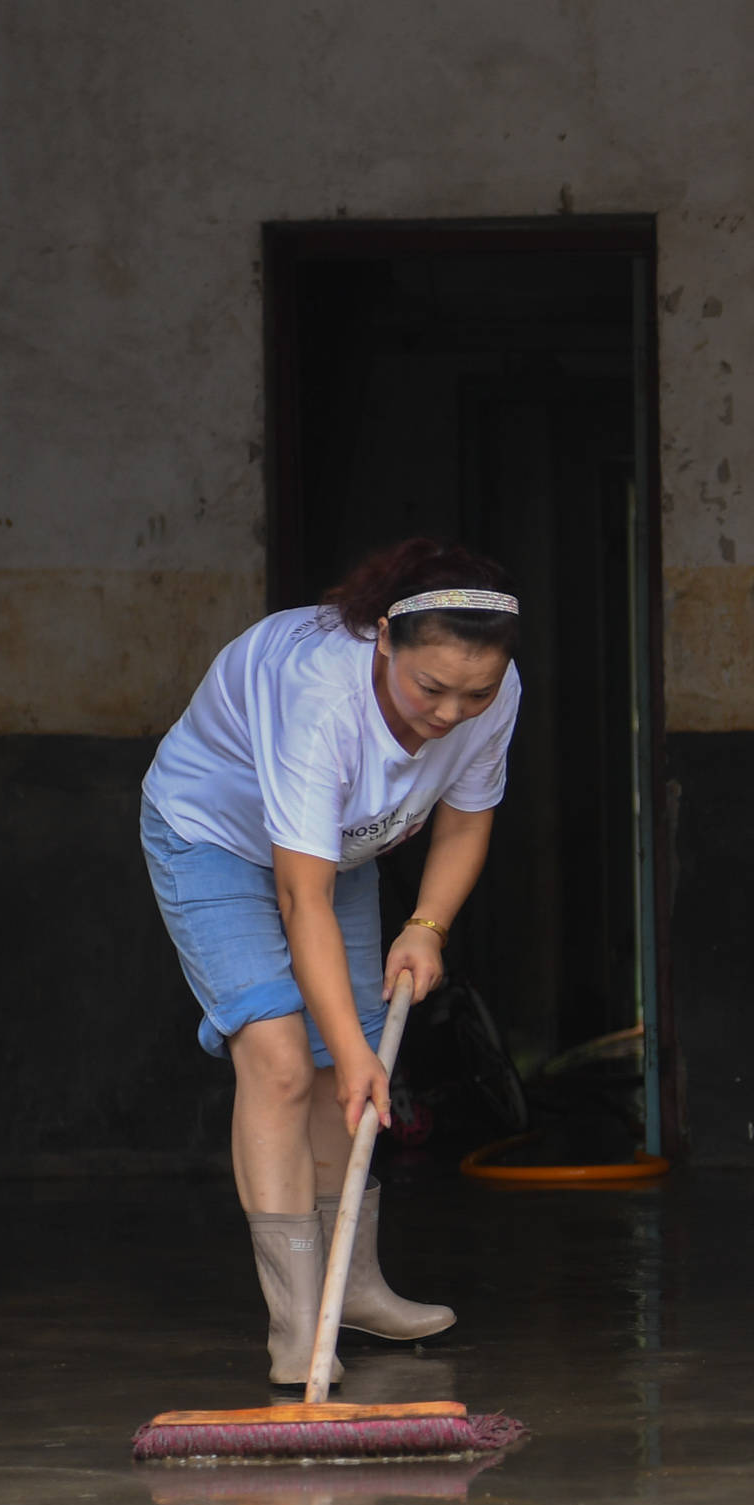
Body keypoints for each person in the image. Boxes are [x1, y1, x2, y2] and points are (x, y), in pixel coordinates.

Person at [139, 539, 522, 1384]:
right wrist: (349, 1051)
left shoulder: (492, 695)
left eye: (477, 692)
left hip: (340, 850)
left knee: (338, 1077)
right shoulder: (320, 695)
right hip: (215, 840)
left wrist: (427, 923)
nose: (452, 713)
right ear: (385, 639)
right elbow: (298, 900)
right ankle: (298, 1325)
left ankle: (353, 1288)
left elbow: (465, 816)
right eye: (431, 688)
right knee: (286, 1062)